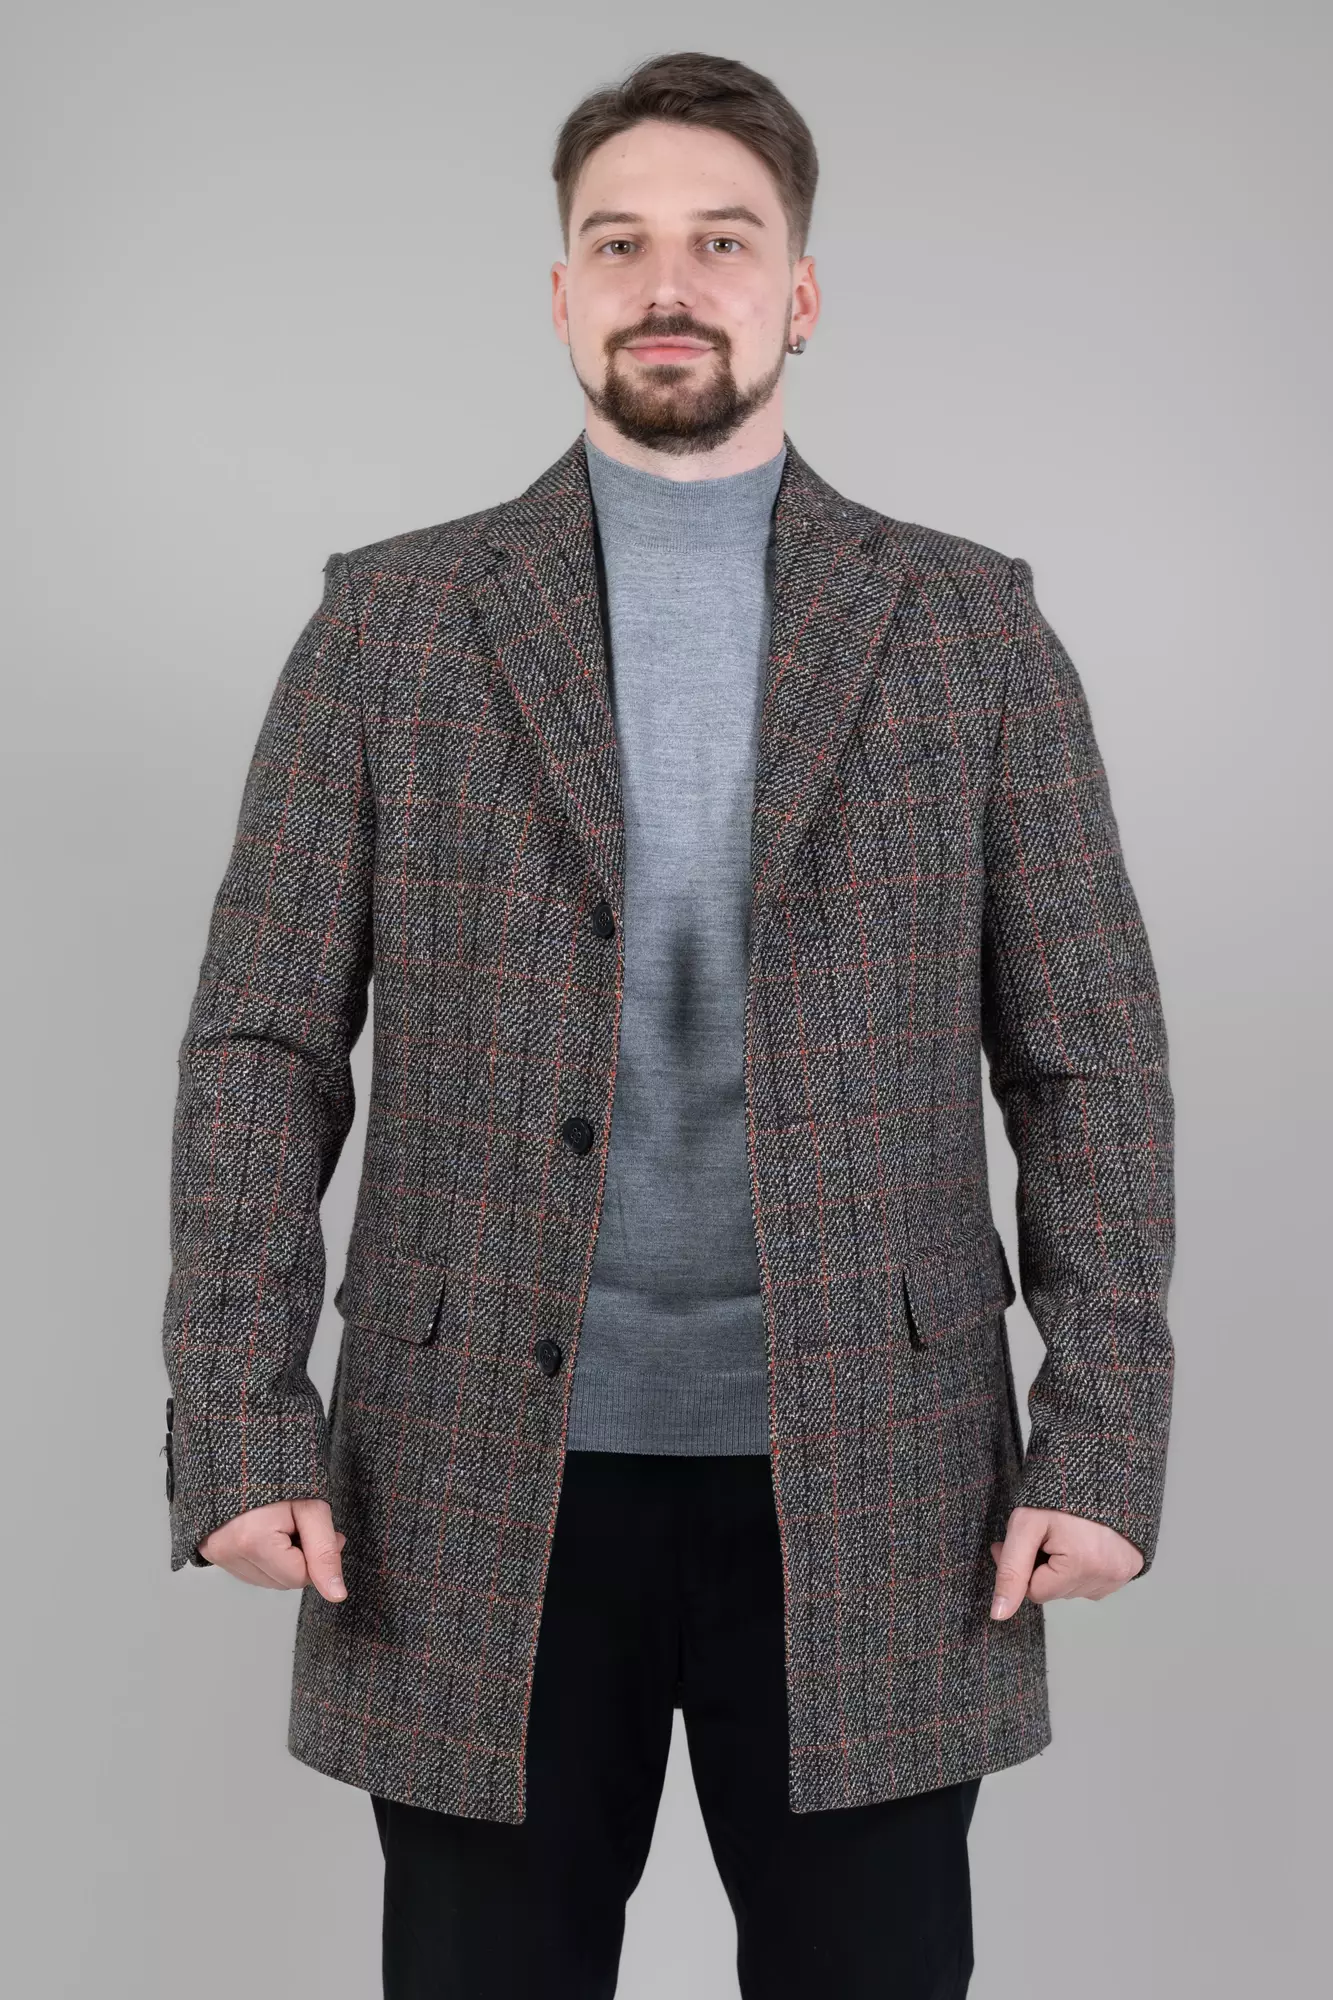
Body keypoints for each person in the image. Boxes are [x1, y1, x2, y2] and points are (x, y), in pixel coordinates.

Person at [160, 49, 1175, 1999]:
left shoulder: (971, 630)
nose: (669, 283)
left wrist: (1104, 1435)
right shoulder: (390, 628)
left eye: (724, 239)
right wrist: (235, 1411)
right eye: (618, 243)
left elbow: (1089, 1066)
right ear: (561, 292)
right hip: (472, 1472)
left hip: (879, 1472)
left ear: (803, 290)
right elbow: (261, 1048)